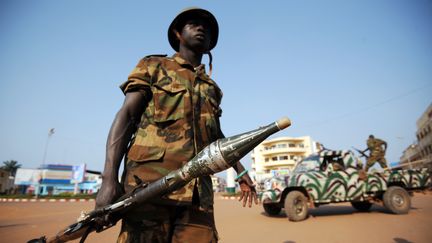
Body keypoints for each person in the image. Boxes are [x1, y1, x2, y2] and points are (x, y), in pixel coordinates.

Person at [95, 8, 257, 243]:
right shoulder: (153, 66)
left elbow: (216, 137)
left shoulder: (212, 89)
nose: (202, 28)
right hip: (148, 189)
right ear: (178, 34)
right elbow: (127, 115)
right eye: (193, 24)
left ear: (211, 43)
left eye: (207, 28)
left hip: (196, 194)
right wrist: (109, 178)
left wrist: (241, 172)